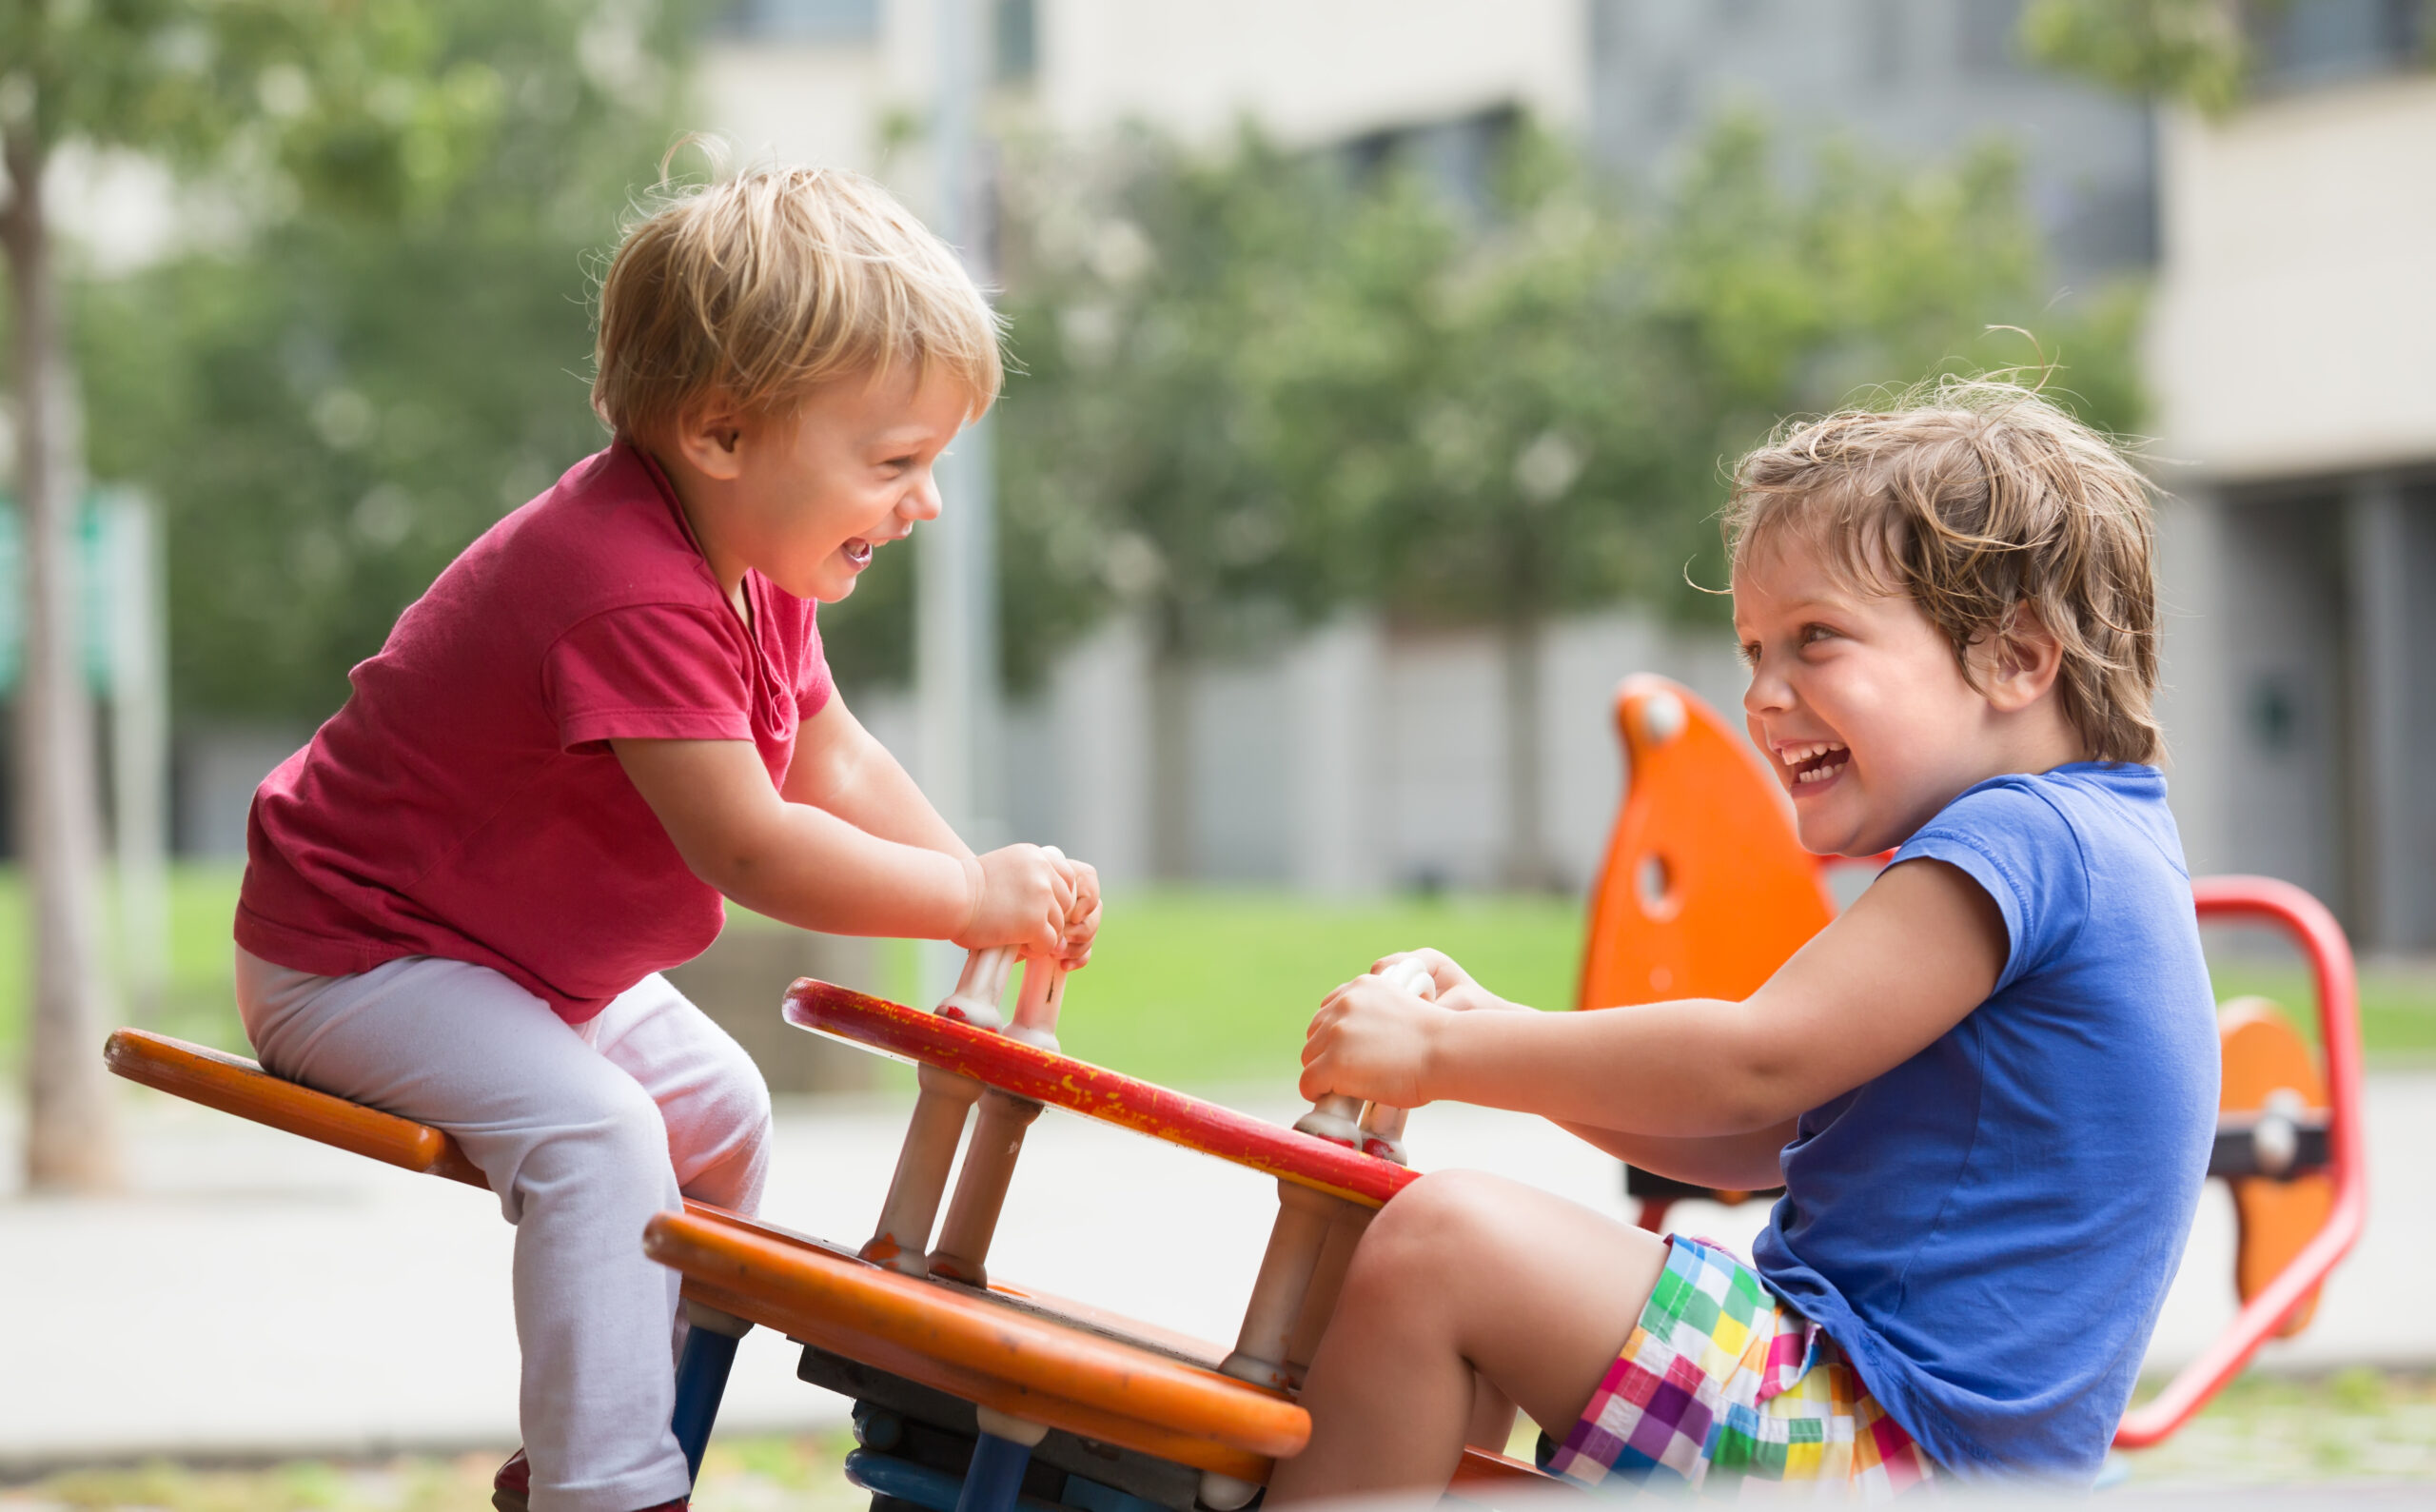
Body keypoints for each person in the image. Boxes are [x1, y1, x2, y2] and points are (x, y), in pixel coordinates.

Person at [232, 167, 1098, 1512]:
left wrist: (984, 904)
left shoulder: (750, 565)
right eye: (893, 464)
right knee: (602, 1139)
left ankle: (649, 1426)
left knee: (724, 1116)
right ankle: (609, 1488)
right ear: (722, 433)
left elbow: (835, 754)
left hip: (512, 962)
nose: (923, 504)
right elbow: (752, 849)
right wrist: (966, 895)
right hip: (360, 957)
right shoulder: (623, 584)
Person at [1270, 382, 2217, 1501]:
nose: (1762, 696)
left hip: (1879, 1435)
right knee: (1451, 1415)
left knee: (1443, 1243)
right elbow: (1758, 1134)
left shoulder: (2025, 836)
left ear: (2014, 655)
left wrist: (1437, 1055)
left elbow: (1752, 1061)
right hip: (1898, 1442)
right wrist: (1492, 1038)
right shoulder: (2091, 841)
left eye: (1815, 639)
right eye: (1753, 648)